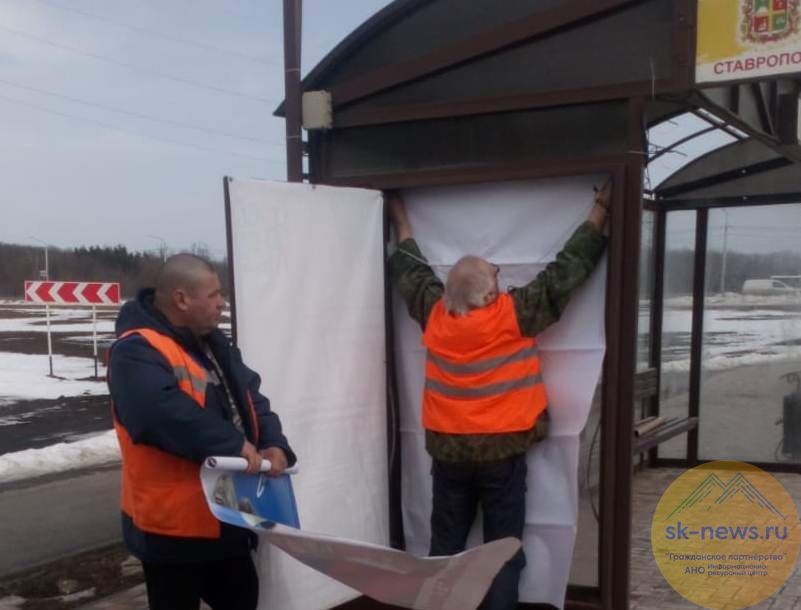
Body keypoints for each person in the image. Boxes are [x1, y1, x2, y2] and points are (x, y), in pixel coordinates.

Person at [387, 183, 610, 610]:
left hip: (449, 457)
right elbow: (565, 273)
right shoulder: (514, 314)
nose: (499, 279)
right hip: (502, 457)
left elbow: (410, 273)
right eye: (495, 276)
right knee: (503, 553)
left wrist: (400, 216)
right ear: (489, 295)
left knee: (445, 553)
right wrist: (600, 208)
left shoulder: (435, 313)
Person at [107, 253, 296, 610]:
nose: (222, 302)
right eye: (214, 295)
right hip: (172, 530)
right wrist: (233, 444)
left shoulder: (215, 345)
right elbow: (157, 414)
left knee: (243, 600)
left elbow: (252, 399)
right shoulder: (135, 350)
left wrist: (274, 443)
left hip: (228, 517)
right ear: (182, 299)